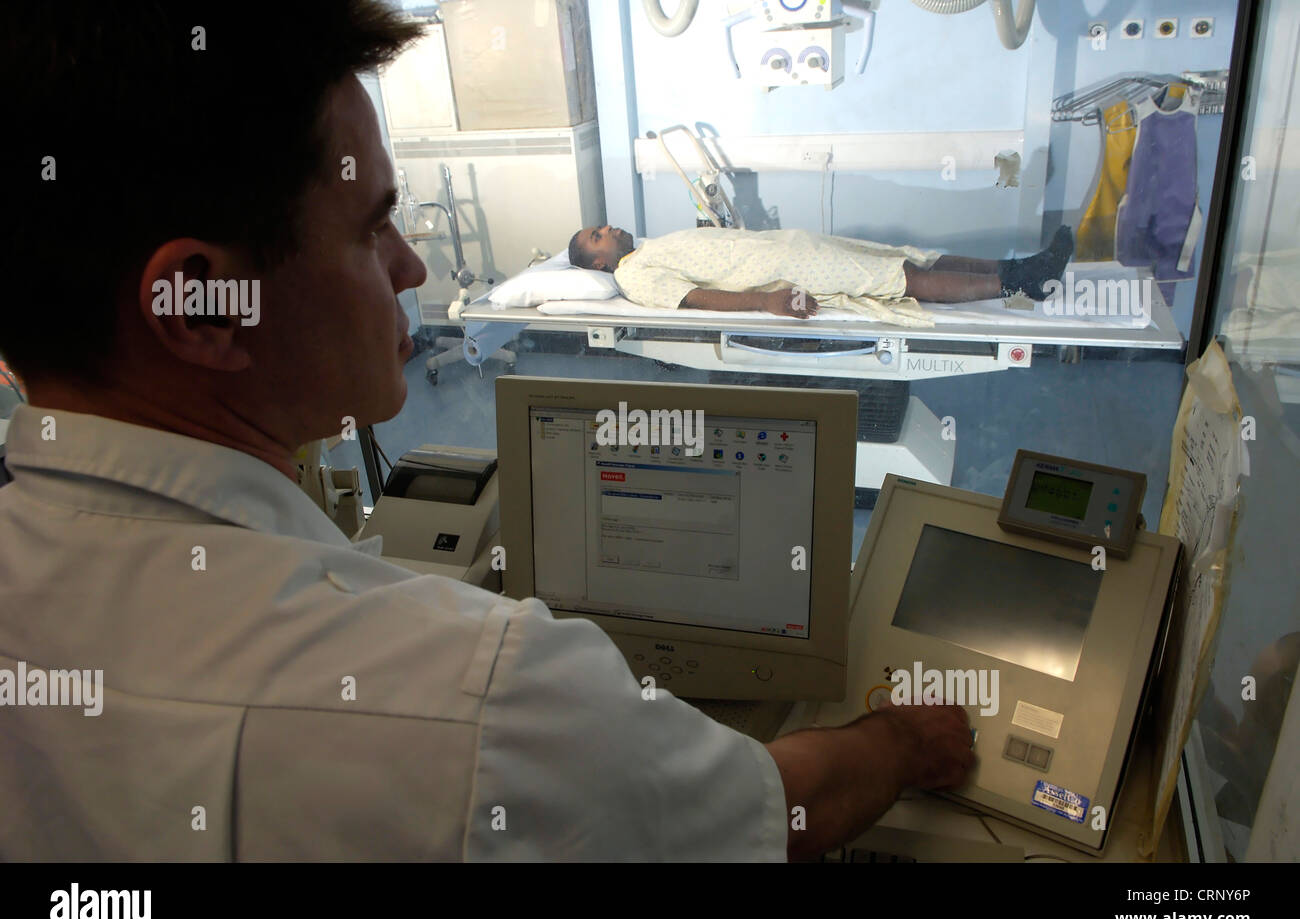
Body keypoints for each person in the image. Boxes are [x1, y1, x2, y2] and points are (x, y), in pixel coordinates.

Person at [0, 1, 973, 862]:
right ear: (204, 308)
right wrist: (897, 742)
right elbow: (778, 809)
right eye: (372, 226)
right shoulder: (486, 703)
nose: (412, 266)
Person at [569, 224, 1074, 322]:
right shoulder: (634, 277)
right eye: (597, 237)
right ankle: (1018, 284)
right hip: (792, 267)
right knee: (901, 280)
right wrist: (766, 302)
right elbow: (694, 300)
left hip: (796, 246)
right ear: (599, 263)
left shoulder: (649, 247)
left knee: (910, 257)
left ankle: (1021, 268)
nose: (607, 229)